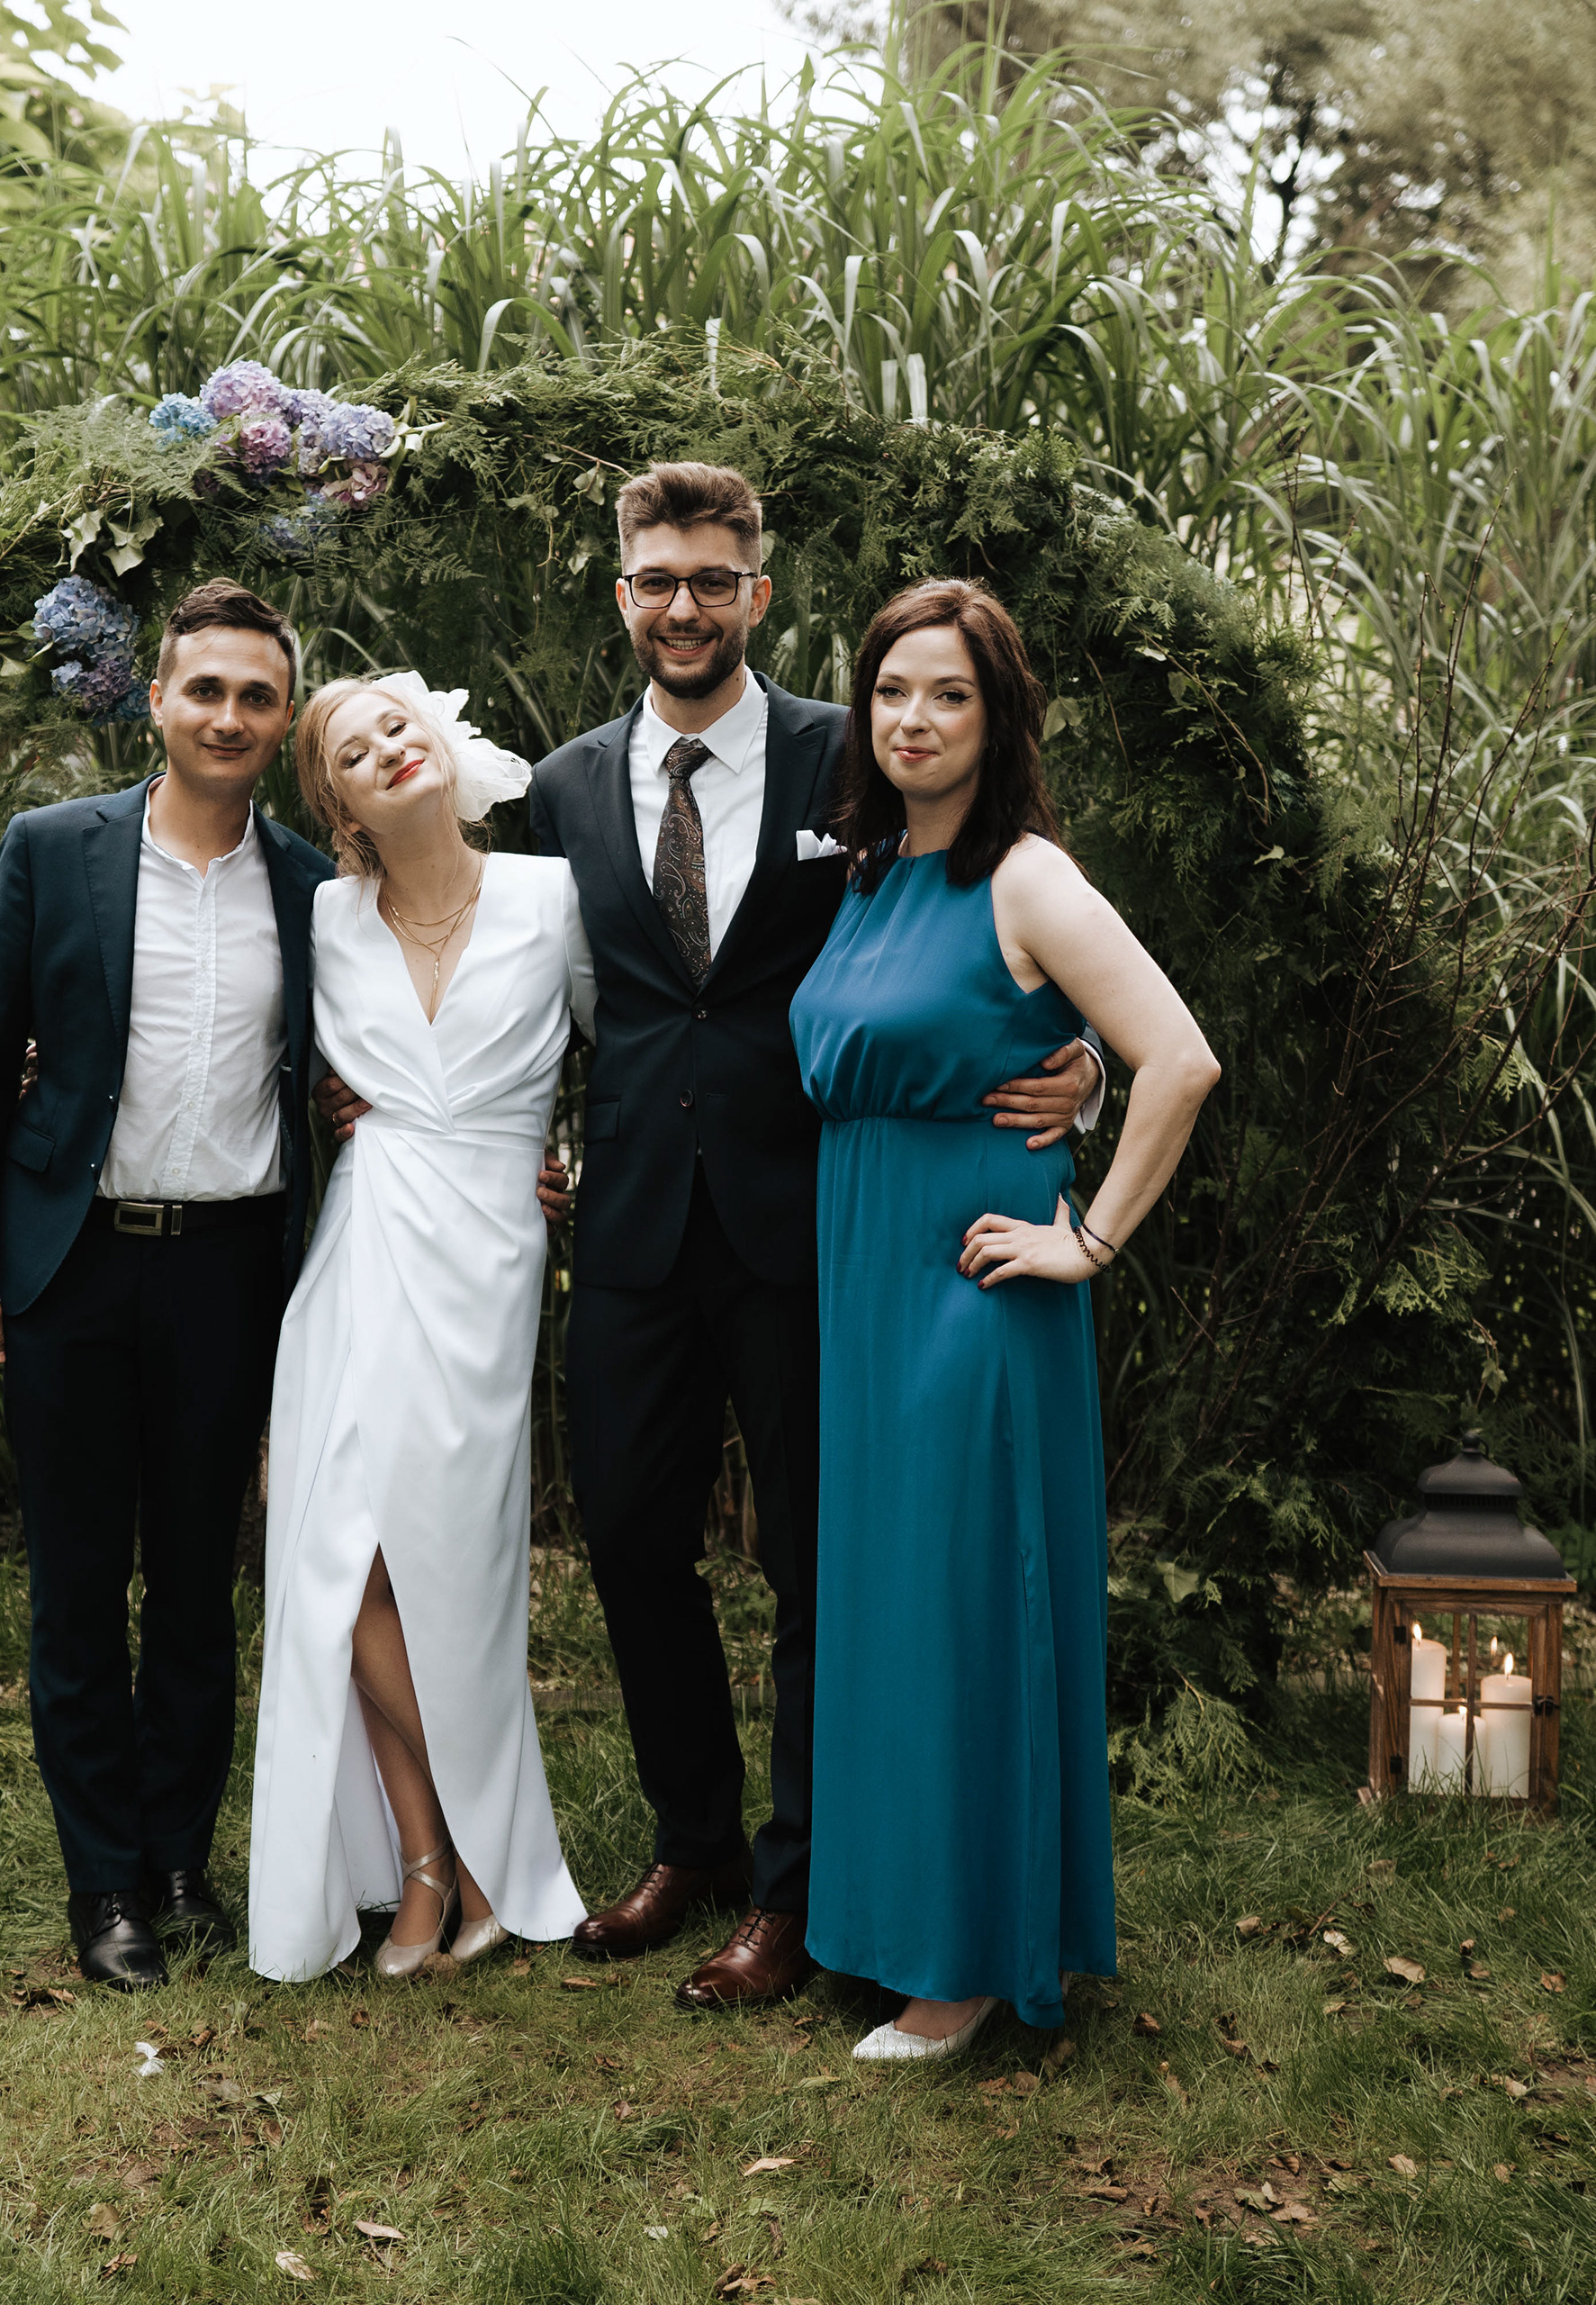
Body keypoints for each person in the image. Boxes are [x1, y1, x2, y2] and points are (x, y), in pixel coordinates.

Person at [517, 464, 1100, 2013]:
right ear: (623, 594)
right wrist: (473, 1128)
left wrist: (1084, 1071)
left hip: (817, 1230)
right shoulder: (564, 785)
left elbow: (987, 922)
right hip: (632, 1220)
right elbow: (543, 987)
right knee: (629, 1539)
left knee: (815, 1560)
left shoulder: (857, 750)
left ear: (758, 595)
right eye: (658, 580)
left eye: (714, 580)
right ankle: (693, 1841)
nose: (685, 606)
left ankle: (797, 1886)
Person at [789, 578, 1221, 2060]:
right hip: (868, 1281)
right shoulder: (871, 871)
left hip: (973, 1282)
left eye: (950, 695)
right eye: (892, 691)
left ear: (1001, 718)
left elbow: (1179, 1059)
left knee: (960, 1603)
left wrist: (1087, 1238)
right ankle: (894, 1921)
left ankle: (965, 1964)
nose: (914, 718)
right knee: (891, 1604)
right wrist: (1075, 1064)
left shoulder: (1027, 876)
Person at [0, 580, 336, 1993]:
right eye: (203, 689)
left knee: (200, 1590)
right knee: (79, 1591)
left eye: (255, 696)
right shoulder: (56, 850)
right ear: (156, 700)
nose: (227, 715)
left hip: (233, 1271)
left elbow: (360, 1063)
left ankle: (177, 1864)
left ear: (282, 720)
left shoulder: (314, 886)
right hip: (72, 1267)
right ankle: (103, 1884)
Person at [246, 673, 593, 1984]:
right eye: (353, 749)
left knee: (446, 1563)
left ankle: (469, 1861)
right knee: (339, 1559)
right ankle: (434, 1858)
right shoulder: (324, 918)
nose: (387, 747)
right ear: (337, 804)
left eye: (398, 724)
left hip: (491, 1255)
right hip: (365, 1242)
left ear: (442, 743)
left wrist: (579, 1169)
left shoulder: (554, 897)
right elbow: (244, 1055)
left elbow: (645, 1055)